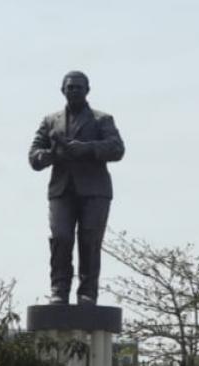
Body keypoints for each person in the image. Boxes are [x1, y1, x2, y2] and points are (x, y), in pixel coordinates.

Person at [28, 71, 125, 305]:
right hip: (61, 190)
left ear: (87, 90)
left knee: (89, 241)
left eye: (78, 87)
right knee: (61, 238)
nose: (74, 91)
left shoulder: (102, 119)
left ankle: (87, 292)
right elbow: (34, 156)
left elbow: (117, 149)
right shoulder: (51, 120)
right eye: (70, 87)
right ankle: (59, 289)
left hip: (94, 191)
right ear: (63, 90)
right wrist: (50, 155)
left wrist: (87, 148)